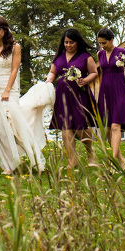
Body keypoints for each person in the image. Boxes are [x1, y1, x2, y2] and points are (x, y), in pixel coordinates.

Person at [0, 16, 50, 174]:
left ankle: (33, 156)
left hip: (9, 89)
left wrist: (7, 90)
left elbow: (14, 70)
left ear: (5, 29)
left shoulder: (15, 47)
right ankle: (9, 161)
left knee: (10, 125)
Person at [45, 28, 99, 169]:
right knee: (66, 128)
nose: (68, 45)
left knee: (81, 126)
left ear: (77, 42)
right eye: (66, 42)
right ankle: (72, 160)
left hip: (79, 93)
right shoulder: (59, 56)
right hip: (62, 94)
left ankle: (90, 153)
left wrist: (86, 80)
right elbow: (53, 72)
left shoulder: (85, 56)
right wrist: (48, 81)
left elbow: (94, 72)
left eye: (71, 42)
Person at [96, 27, 125, 170]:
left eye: (104, 43)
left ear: (112, 40)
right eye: (100, 43)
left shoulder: (122, 52)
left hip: (119, 90)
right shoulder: (99, 54)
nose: (102, 46)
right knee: (107, 130)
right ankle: (120, 159)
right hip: (105, 92)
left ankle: (112, 163)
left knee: (115, 126)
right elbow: (100, 74)